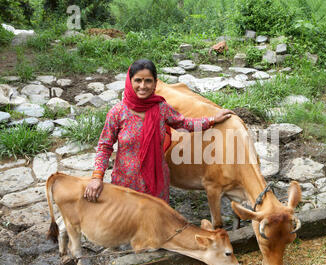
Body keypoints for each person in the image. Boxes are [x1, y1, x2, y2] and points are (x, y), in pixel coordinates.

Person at [84, 59, 234, 203]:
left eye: (148, 81)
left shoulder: (161, 108)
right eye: (138, 80)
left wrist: (213, 119)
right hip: (125, 185)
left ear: (155, 83)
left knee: (155, 226)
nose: (143, 86)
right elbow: (105, 146)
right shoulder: (118, 112)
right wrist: (97, 177)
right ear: (130, 82)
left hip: (157, 184)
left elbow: (184, 123)